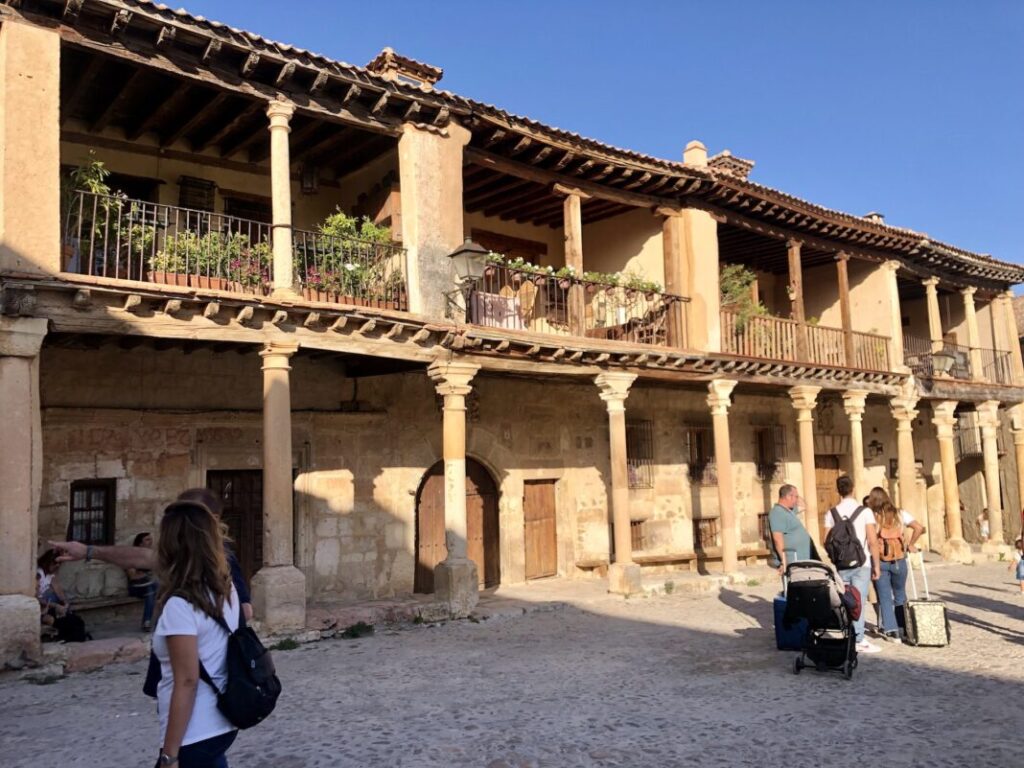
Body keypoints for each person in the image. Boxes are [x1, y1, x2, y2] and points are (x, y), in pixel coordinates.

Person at [50, 488, 253, 621]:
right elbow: (141, 557)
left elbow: (245, 610)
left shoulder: (222, 559)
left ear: (213, 519)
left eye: (186, 515)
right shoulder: (184, 555)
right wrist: (88, 551)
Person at [153, 498, 239, 768]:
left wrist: (169, 754)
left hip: (193, 733)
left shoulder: (180, 606)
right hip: (222, 723)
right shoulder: (226, 592)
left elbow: (187, 681)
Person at [823, 474, 882, 654]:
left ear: (838, 491)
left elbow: (826, 540)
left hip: (842, 564)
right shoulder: (865, 512)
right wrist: (876, 565)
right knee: (859, 601)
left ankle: (846, 634)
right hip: (862, 562)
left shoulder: (831, 513)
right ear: (853, 489)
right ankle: (858, 638)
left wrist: (836, 558)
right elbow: (872, 541)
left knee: (844, 600)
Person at [866, 486, 925, 643]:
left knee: (884, 596)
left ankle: (892, 631)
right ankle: (904, 628)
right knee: (900, 595)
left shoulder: (872, 516)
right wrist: (911, 544)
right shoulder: (900, 513)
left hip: (880, 560)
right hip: (899, 560)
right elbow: (919, 527)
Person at [768, 484, 815, 577]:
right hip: (793, 562)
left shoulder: (789, 510)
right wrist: (784, 562)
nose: (797, 500)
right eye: (796, 497)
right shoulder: (777, 513)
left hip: (802, 562)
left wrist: (796, 494)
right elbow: (778, 539)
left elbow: (804, 506)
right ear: (788, 496)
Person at [126, 532, 158, 632]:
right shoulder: (132, 557)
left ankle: (148, 621)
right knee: (152, 588)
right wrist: (147, 575)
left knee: (152, 590)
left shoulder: (152, 556)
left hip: (150, 586)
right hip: (136, 587)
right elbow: (132, 576)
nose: (150, 542)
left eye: (150, 539)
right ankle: (148, 621)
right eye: (147, 540)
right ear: (140, 544)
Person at [36, 549, 69, 620]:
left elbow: (58, 589)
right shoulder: (39, 573)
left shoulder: (50, 574)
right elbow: (37, 598)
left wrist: (65, 601)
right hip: (42, 604)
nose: (57, 565)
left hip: (49, 602)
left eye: (59, 563)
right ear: (48, 561)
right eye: (55, 563)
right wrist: (56, 606)